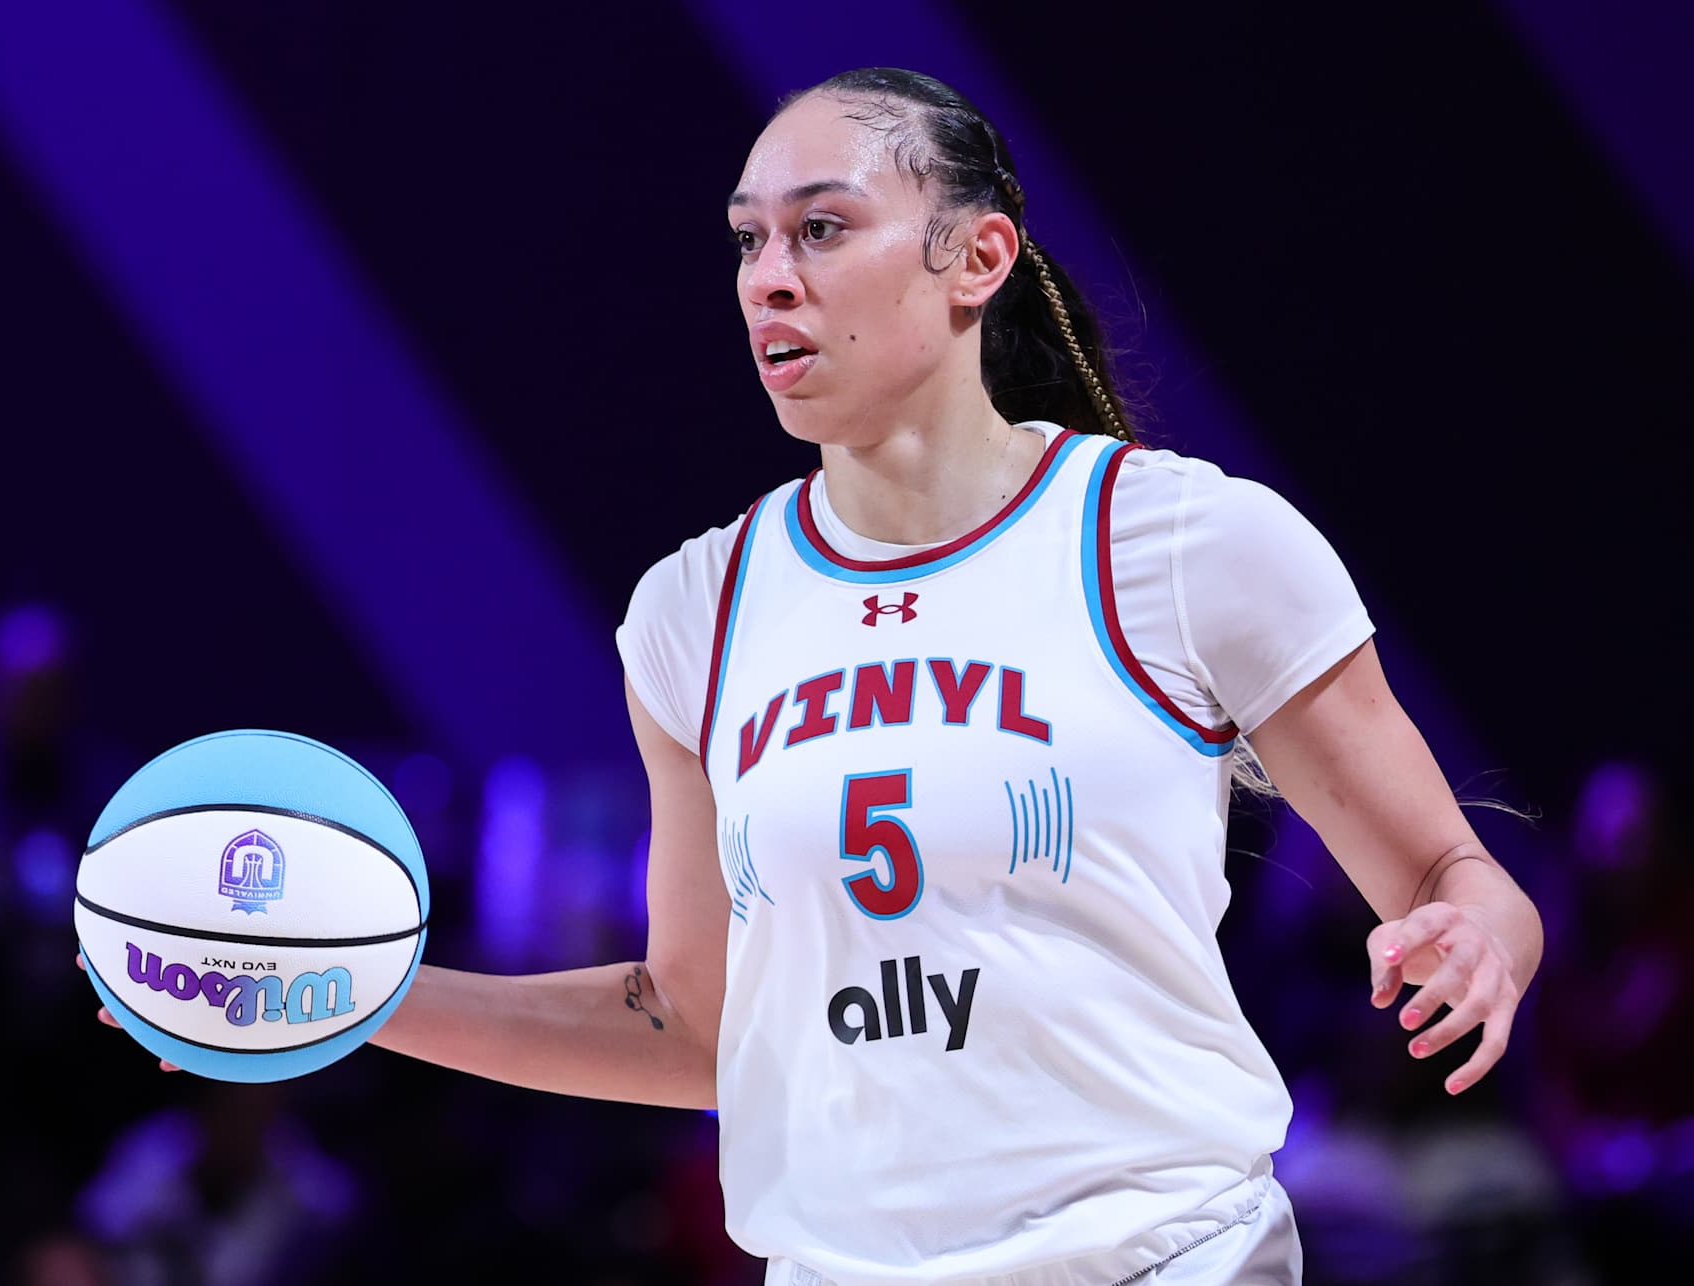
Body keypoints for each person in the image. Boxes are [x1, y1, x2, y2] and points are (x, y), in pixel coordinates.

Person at [91, 68, 1545, 1284]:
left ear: (976, 258)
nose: (767, 277)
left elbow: (1449, 873)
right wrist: (345, 993)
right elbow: (700, 1027)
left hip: (1164, 1256)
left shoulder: (1182, 544)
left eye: (822, 228)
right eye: (746, 242)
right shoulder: (695, 613)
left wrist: (1478, 935)